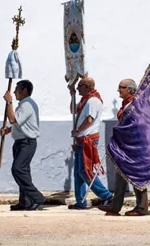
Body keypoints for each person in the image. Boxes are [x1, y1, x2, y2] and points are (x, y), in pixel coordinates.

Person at [100, 79, 149, 216]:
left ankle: (141, 207)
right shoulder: (126, 105)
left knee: (137, 174)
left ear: (130, 90)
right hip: (124, 145)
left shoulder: (136, 105)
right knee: (121, 173)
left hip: (135, 146)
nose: (119, 90)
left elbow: (137, 125)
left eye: (122, 87)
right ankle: (115, 206)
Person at [67, 76, 112, 210]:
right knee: (78, 172)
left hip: (87, 139)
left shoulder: (92, 101)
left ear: (87, 87)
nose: (77, 88)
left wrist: (77, 131)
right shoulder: (84, 100)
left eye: (79, 85)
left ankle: (106, 195)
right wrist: (72, 95)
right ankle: (80, 201)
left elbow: (89, 120)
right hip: (81, 139)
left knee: (84, 171)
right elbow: (73, 111)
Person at [0, 80, 45, 211]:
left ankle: (37, 198)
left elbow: (13, 119)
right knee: (24, 171)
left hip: (27, 142)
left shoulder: (27, 104)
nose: (14, 92)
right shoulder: (24, 104)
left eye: (16, 89)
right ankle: (25, 202)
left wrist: (9, 102)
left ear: (24, 90)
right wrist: (9, 130)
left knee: (18, 169)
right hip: (21, 141)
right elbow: (19, 123)